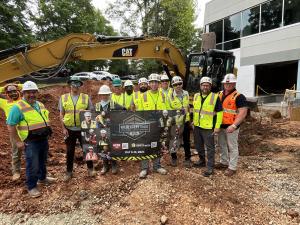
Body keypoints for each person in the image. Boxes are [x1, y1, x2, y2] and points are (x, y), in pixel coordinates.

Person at [7, 81, 52, 197]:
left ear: (37, 93)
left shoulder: (40, 104)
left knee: (42, 160)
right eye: (28, 92)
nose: (32, 94)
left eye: (34, 92)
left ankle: (42, 179)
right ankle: (32, 186)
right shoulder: (18, 107)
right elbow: (10, 125)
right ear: (23, 93)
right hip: (31, 141)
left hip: (43, 138)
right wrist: (17, 141)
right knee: (33, 164)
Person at [59, 77, 95, 181]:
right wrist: (63, 128)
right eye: (73, 84)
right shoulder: (63, 98)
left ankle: (91, 169)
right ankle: (69, 172)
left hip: (83, 128)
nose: (75, 86)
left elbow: (91, 111)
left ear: (80, 85)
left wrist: (85, 111)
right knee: (70, 151)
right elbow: (61, 114)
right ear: (70, 85)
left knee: (87, 149)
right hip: (69, 129)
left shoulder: (85, 97)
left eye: (77, 84)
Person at [136, 73, 168, 179]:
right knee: (145, 146)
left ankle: (157, 166)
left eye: (156, 82)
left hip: (159, 126)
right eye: (152, 82)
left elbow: (167, 111)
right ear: (149, 84)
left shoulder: (164, 95)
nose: (154, 84)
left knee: (158, 146)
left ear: (159, 84)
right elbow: (139, 113)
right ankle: (144, 168)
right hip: (147, 126)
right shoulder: (143, 96)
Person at [215, 73, 248, 176]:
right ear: (223, 84)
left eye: (230, 83)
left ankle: (232, 167)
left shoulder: (239, 96)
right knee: (222, 145)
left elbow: (243, 112)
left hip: (231, 127)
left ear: (234, 84)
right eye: (226, 83)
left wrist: (234, 125)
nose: (228, 85)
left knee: (232, 146)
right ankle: (224, 162)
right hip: (221, 125)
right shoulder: (219, 94)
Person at [192, 77, 223, 177]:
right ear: (200, 86)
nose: (205, 87)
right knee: (198, 145)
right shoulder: (196, 96)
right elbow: (194, 110)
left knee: (210, 148)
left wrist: (217, 127)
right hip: (197, 126)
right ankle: (201, 161)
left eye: (207, 85)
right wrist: (193, 121)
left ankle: (210, 167)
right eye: (203, 85)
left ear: (210, 86)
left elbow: (220, 113)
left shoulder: (215, 97)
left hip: (208, 127)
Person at [95, 85, 123, 175]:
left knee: (112, 147)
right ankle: (105, 165)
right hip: (101, 131)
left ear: (109, 95)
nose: (104, 96)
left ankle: (114, 164)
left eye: (106, 94)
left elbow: (124, 110)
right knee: (103, 148)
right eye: (103, 94)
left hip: (111, 130)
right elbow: (90, 115)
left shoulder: (114, 104)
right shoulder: (97, 106)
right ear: (100, 95)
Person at [167, 76, 192, 167]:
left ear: (182, 84)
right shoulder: (169, 96)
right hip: (175, 122)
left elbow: (188, 107)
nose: (178, 86)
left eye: (179, 84)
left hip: (185, 121)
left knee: (186, 141)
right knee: (174, 140)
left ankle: (188, 158)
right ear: (173, 86)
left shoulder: (186, 93)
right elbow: (169, 110)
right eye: (175, 84)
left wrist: (189, 118)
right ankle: (173, 158)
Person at [0, 83, 22, 180]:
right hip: (14, 132)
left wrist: (15, 85)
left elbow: (25, 86)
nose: (13, 93)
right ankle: (16, 171)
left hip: (28, 130)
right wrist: (5, 87)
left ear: (18, 92)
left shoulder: (24, 100)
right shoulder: (4, 103)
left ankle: (38, 171)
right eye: (10, 92)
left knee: (33, 151)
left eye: (15, 91)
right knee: (16, 152)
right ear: (6, 94)